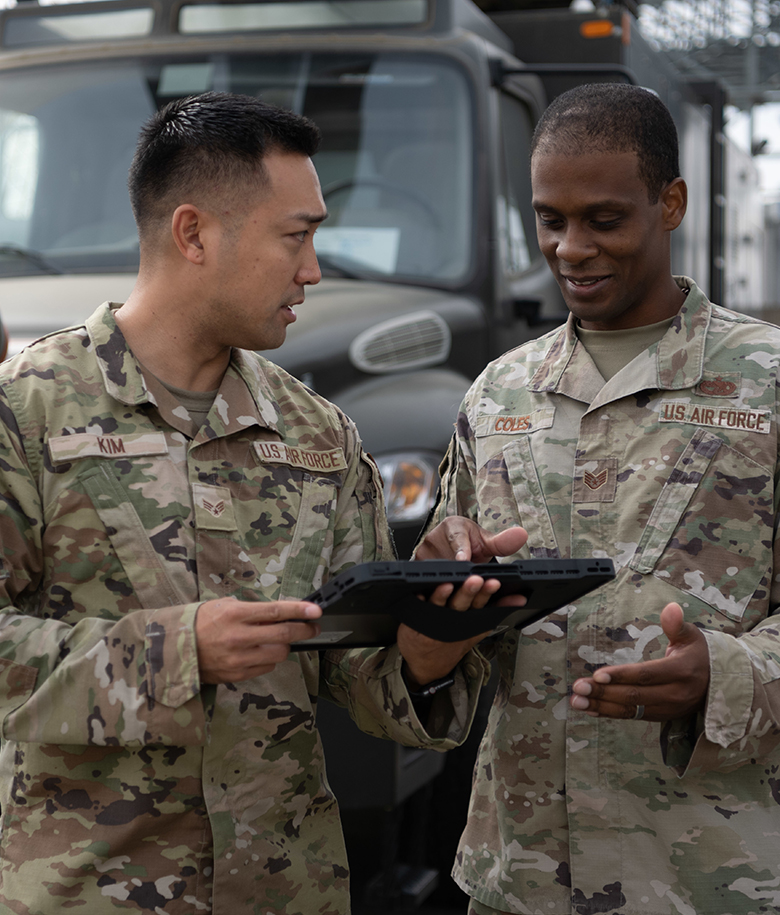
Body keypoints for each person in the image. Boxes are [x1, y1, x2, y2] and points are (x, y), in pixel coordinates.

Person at [0, 92, 503, 914]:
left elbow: (363, 679)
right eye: (295, 237)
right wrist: (175, 650)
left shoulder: (319, 437)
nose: (313, 269)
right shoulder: (26, 414)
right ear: (193, 233)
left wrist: (433, 637)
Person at [416, 82, 780, 915]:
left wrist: (723, 677)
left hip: (712, 881)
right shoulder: (499, 392)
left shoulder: (766, 385)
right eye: (550, 219)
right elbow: (446, 637)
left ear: (671, 203)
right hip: (522, 879)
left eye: (604, 219)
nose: (571, 247)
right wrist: (440, 596)